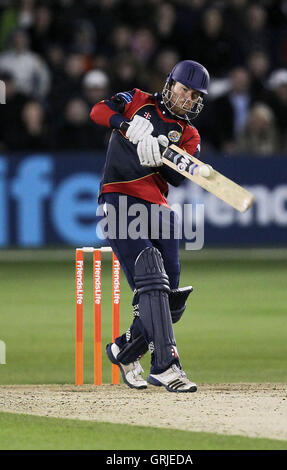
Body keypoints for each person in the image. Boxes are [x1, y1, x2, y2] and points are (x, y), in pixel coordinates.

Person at [90, 60, 210, 393]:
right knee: (151, 275)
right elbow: (97, 111)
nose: (187, 98)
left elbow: (175, 177)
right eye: (184, 89)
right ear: (170, 84)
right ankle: (166, 366)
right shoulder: (138, 99)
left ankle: (124, 349)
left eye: (194, 95)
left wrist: (162, 154)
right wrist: (125, 125)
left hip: (159, 209)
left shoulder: (189, 134)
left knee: (167, 297)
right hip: (119, 199)